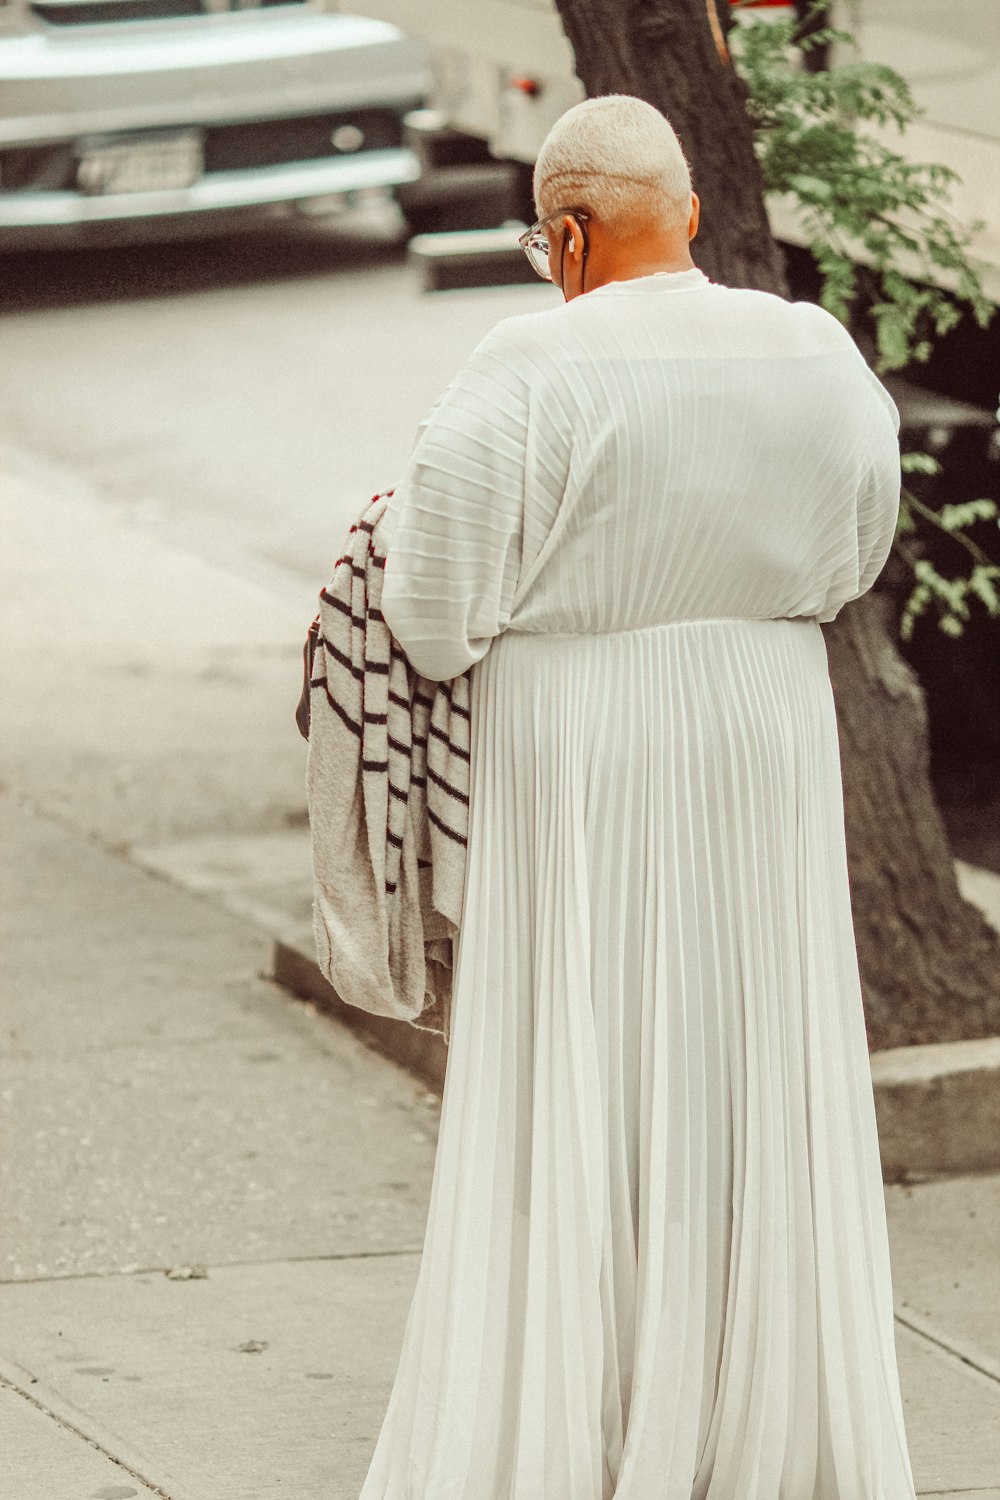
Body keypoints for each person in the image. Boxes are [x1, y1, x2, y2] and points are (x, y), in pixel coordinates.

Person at [362, 93, 916, 1499]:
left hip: (581, 739)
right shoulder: (817, 352)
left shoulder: (528, 362)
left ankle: (576, 1423)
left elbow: (430, 611)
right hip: (762, 730)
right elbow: (859, 550)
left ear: (564, 232)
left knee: (582, 1062)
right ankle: (763, 1427)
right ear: (692, 211)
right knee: (749, 1067)